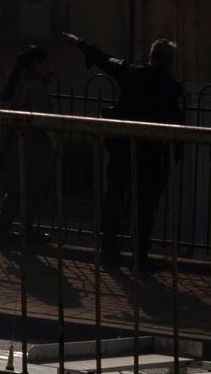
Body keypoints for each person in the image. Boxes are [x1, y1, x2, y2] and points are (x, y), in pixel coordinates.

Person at [70, 32, 185, 270]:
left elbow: (106, 60)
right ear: (170, 61)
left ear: (151, 57)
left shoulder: (132, 72)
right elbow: (177, 126)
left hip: (123, 148)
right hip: (151, 154)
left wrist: (81, 44)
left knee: (114, 198)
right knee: (145, 205)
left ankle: (109, 250)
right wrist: (172, 158)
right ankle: (140, 257)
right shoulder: (172, 88)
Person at [0, 40, 56, 253]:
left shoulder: (21, 85)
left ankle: (11, 232)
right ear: (36, 64)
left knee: (17, 192)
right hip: (32, 148)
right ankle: (11, 233)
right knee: (28, 192)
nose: (49, 68)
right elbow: (41, 120)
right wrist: (55, 140)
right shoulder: (35, 89)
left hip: (18, 146)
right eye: (46, 64)